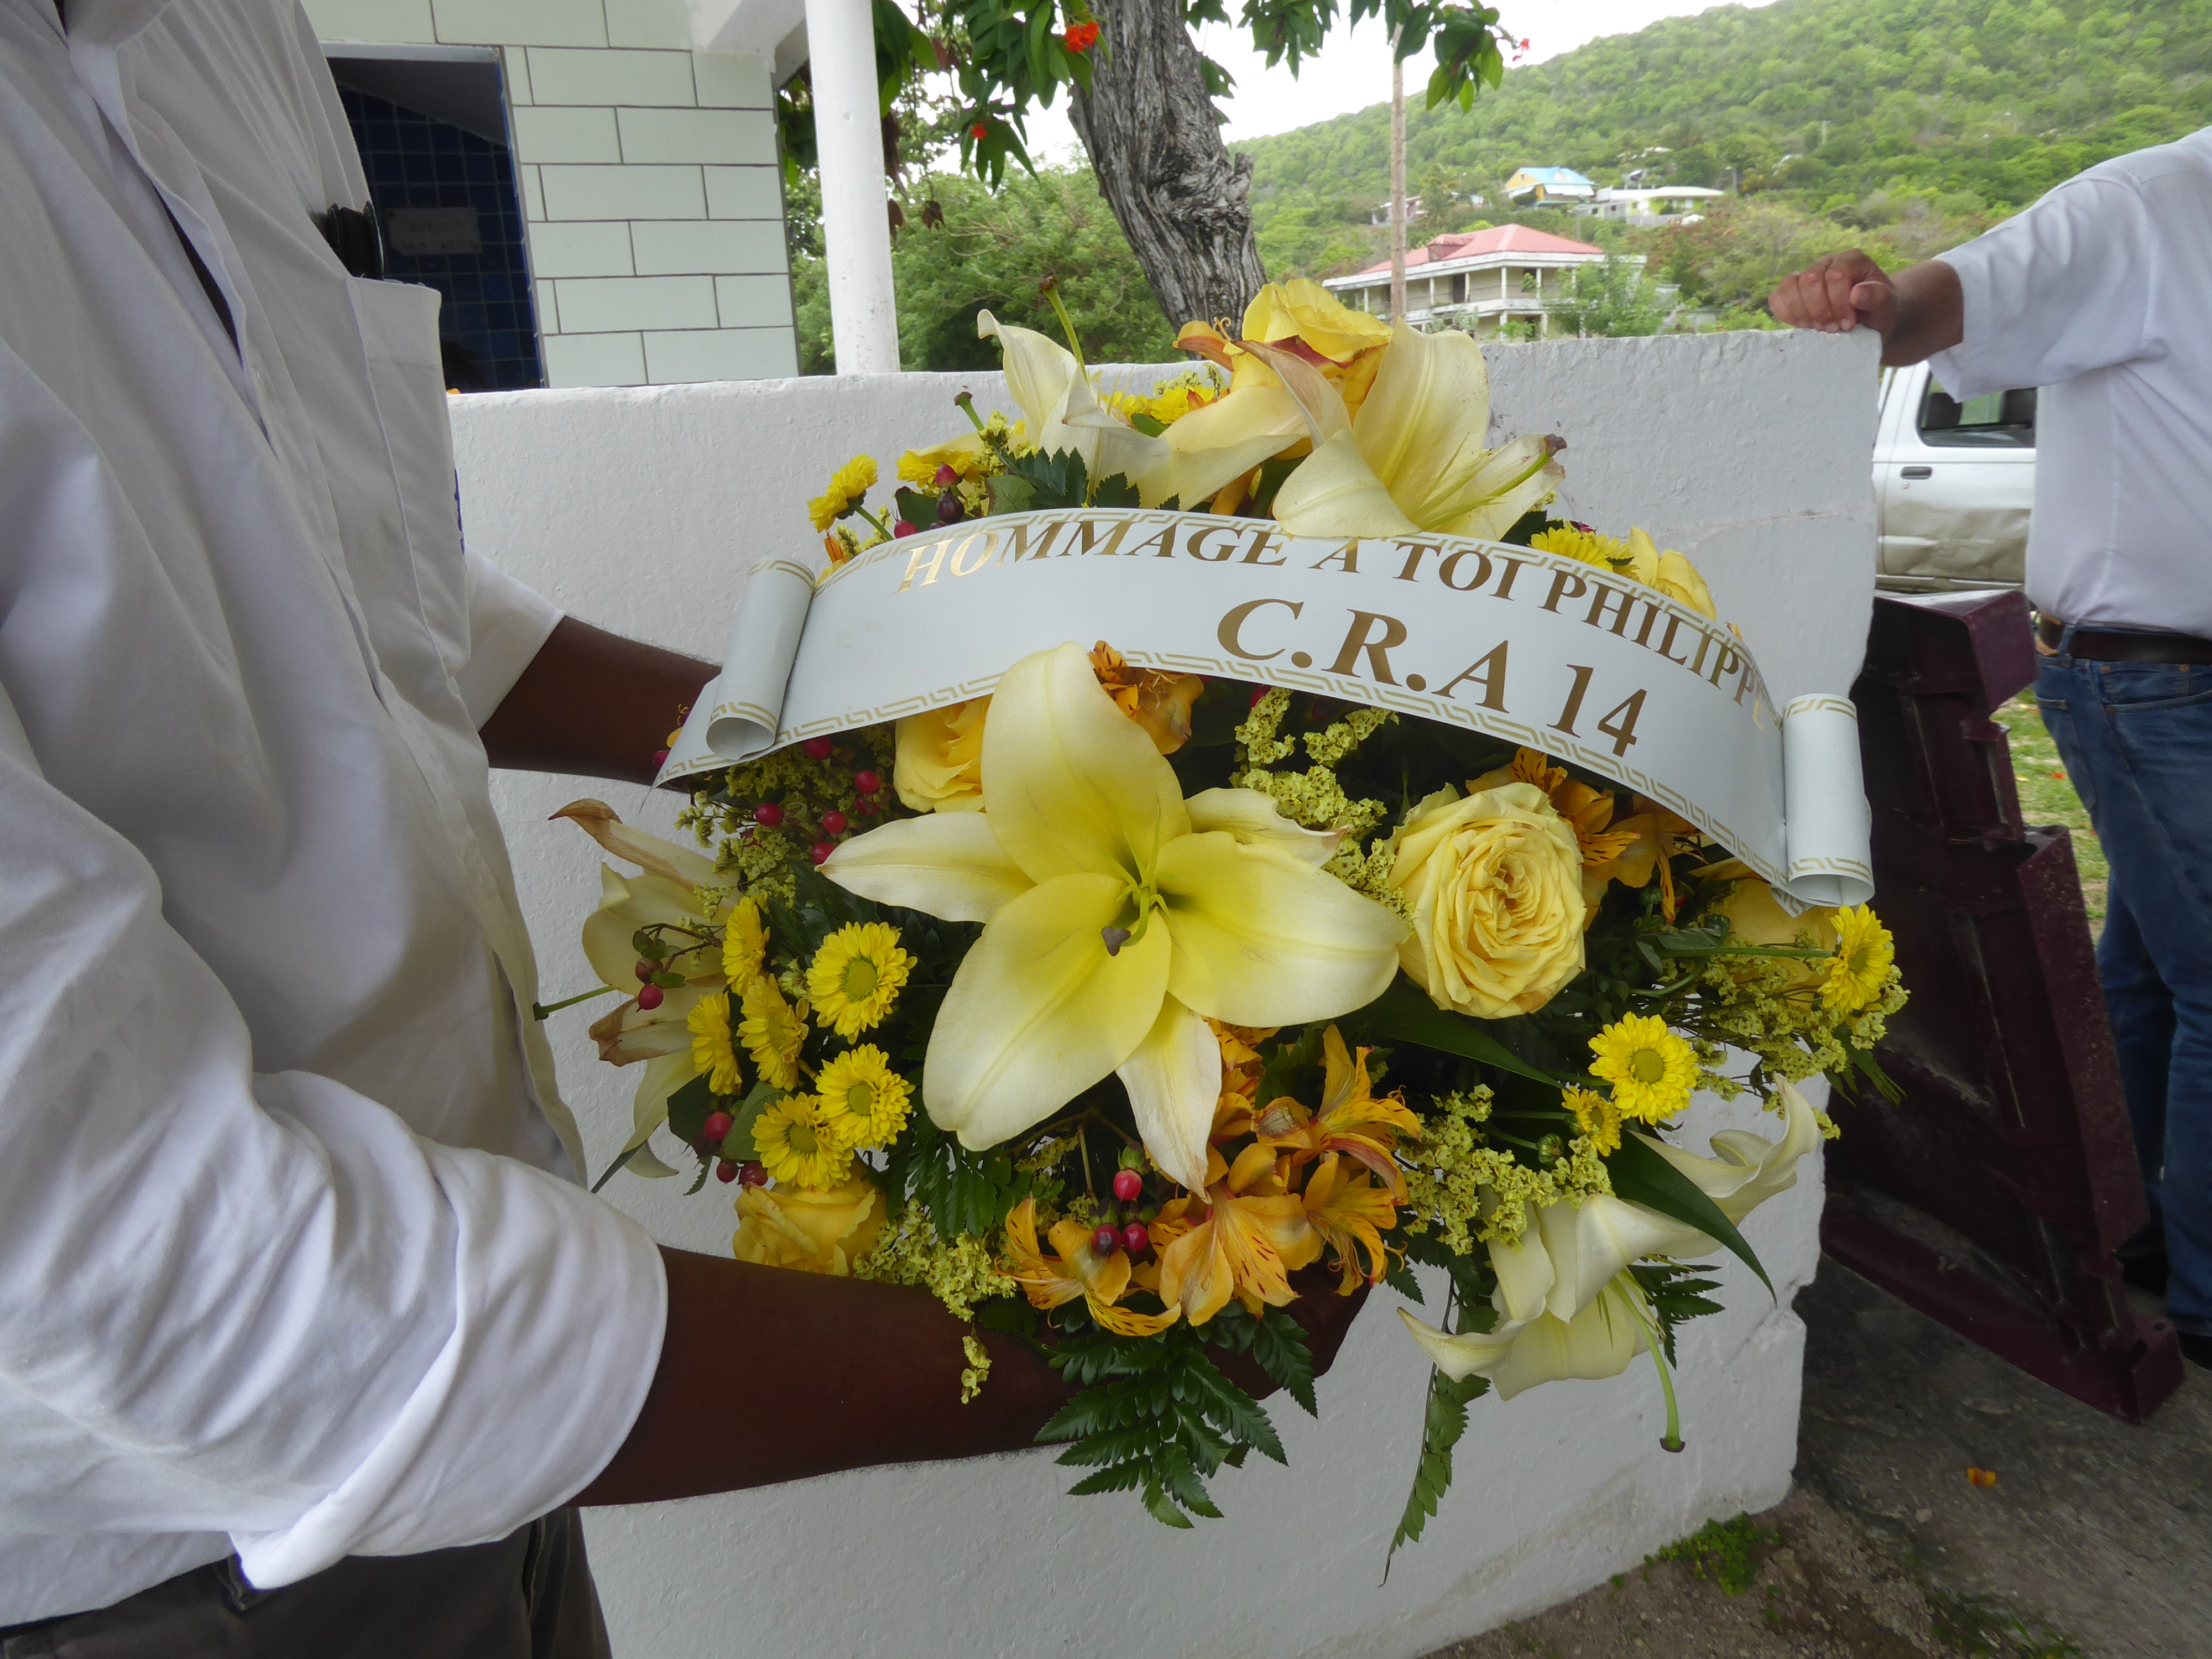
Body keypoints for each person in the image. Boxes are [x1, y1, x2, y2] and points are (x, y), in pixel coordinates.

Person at [0, 2, 1360, 1652]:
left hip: (499, 1447)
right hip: (174, 1562)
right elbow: (134, 1261)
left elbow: (350, 587)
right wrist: (1106, 1345)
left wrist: (851, 748)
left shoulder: (219, 32)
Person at [1768, 127, 2212, 1372]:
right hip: (2152, 682)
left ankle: (2119, 1229)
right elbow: (1943, 302)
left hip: (2175, 682)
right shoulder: (2152, 202)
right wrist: (1866, 303)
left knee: (2151, 969)